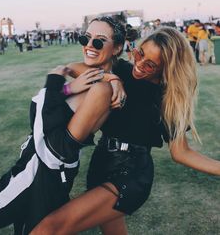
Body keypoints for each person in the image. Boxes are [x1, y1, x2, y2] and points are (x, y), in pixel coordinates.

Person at [31, 26, 220, 235]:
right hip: (100, 163)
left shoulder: (167, 100)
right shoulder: (121, 70)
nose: (138, 64)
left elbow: (181, 152)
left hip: (132, 174)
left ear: (166, 68)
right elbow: (73, 67)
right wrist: (111, 79)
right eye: (139, 53)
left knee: (50, 228)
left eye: (149, 64)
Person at [0, 17, 126, 234]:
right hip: (39, 173)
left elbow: (57, 145)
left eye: (99, 42)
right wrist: (102, 79)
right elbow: (68, 69)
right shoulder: (96, 79)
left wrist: (54, 85)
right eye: (85, 38)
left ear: (116, 48)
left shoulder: (101, 91)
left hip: (37, 177)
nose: (88, 46)